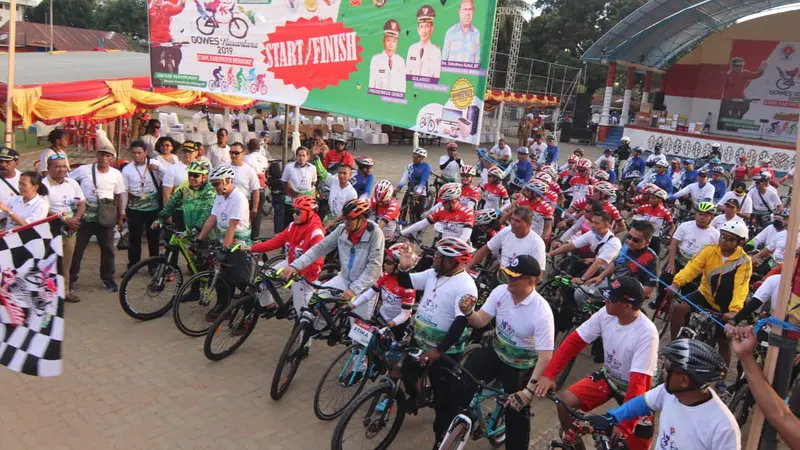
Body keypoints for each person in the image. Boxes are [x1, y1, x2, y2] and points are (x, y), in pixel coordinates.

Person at [533, 277, 659, 450]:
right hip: (610, 377)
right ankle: (573, 442)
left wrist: (624, 425)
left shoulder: (647, 333)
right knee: (564, 402)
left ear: (627, 306)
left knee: (637, 444)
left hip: (636, 390)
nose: (605, 301)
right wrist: (549, 375)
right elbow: (574, 342)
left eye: (612, 299)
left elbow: (638, 384)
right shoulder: (606, 313)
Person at [458, 256, 554, 450]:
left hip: (520, 366)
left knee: (516, 413)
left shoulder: (541, 311)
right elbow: (481, 320)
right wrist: (469, 312)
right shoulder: (501, 292)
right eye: (507, 275)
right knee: (462, 379)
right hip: (495, 352)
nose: (508, 280)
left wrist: (528, 391)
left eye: (514, 278)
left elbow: (545, 356)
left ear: (531, 281)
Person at [395, 237, 478, 449]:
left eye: (440, 256)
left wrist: (439, 351)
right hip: (420, 342)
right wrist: (403, 268)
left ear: (453, 261)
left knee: (444, 405)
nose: (435, 258)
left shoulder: (466, 286)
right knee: (405, 371)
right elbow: (406, 282)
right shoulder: (434, 274)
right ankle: (415, 398)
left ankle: (441, 440)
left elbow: (460, 323)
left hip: (443, 351)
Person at [585, 338, 739, 450]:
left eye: (666, 368)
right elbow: (643, 403)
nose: (662, 372)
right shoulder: (668, 392)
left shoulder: (723, 427)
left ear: (684, 381)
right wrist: (613, 417)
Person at [667, 220, 752, 367]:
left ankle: (721, 380)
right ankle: (675, 346)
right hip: (704, 295)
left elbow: (741, 287)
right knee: (678, 308)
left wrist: (734, 311)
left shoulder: (744, 262)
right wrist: (676, 283)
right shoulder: (710, 250)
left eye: (730, 239)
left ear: (740, 242)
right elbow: (693, 267)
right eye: (722, 236)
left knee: (724, 342)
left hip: (726, 305)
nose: (724, 241)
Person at [280, 199, 384, 309]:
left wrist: (354, 288)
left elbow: (374, 267)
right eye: (345, 217)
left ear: (362, 220)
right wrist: (295, 266)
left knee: (356, 324)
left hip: (365, 287)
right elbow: (319, 249)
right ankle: (319, 325)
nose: (346, 221)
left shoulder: (375, 234)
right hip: (344, 279)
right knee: (314, 302)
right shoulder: (342, 229)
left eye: (350, 219)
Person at [250, 196, 325, 325]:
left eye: (298, 212)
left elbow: (317, 263)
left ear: (310, 213)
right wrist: (251, 248)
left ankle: (304, 343)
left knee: (302, 314)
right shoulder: (292, 226)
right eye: (293, 211)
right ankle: (269, 307)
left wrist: (298, 272)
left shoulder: (317, 233)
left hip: (306, 273)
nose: (294, 215)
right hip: (290, 263)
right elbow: (276, 241)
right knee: (263, 279)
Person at [548, 210, 623, 332]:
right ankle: (566, 319)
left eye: (596, 223)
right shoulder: (593, 234)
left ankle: (589, 318)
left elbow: (599, 262)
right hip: (593, 268)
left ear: (608, 226)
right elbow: (572, 245)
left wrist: (582, 279)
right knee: (566, 282)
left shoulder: (614, 243)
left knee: (574, 290)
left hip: (605, 276)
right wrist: (550, 253)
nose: (592, 225)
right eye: (592, 222)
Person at [68, 145, 125, 293]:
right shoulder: (84, 170)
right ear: (97, 155)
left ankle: (108, 278)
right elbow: (69, 181)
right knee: (77, 249)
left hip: (106, 216)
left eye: (107, 156)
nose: (104, 159)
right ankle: (71, 279)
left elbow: (118, 196)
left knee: (108, 249)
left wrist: (120, 217)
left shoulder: (116, 174)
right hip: (85, 217)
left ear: (111, 158)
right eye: (101, 155)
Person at [650, 201, 719, 310]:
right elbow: (674, 243)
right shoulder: (685, 226)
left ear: (711, 217)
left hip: (696, 268)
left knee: (689, 294)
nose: (702, 217)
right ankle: (659, 301)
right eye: (700, 214)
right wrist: (671, 262)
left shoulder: (715, 235)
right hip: (678, 260)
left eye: (706, 215)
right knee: (664, 280)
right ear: (696, 214)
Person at [347, 243, 416, 341]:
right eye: (385, 260)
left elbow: (405, 314)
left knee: (390, 352)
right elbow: (371, 292)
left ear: (398, 266)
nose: (384, 264)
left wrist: (390, 324)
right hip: (382, 317)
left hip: (397, 324)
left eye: (388, 262)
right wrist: (352, 305)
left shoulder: (408, 287)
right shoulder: (385, 275)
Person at [43, 155, 86, 303]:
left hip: (70, 229)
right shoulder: (43, 185)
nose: (61, 169)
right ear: (48, 169)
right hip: (51, 227)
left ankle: (65, 291)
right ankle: (49, 293)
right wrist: (64, 220)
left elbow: (82, 203)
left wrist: (76, 219)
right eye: (57, 166)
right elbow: (44, 208)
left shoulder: (72, 183)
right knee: (49, 261)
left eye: (63, 166)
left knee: (66, 261)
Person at [121, 142, 166, 272]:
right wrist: (123, 210)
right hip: (135, 209)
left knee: (153, 238)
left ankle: (153, 266)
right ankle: (133, 266)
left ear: (145, 152)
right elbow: (124, 191)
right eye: (134, 153)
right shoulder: (127, 169)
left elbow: (169, 175)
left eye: (139, 153)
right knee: (134, 239)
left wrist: (159, 170)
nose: (136, 156)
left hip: (153, 209)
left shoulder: (154, 164)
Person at [466, 205, 546, 271]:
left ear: (528, 224)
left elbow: (538, 272)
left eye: (517, 221)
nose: (513, 223)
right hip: (501, 275)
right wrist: (468, 265)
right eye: (512, 219)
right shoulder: (506, 231)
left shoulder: (537, 243)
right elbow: (487, 248)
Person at [402, 183, 474, 242]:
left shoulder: (468, 213)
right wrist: (402, 232)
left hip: (460, 248)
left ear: (452, 201)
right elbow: (422, 224)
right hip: (444, 246)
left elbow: (465, 237)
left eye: (444, 202)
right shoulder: (441, 210)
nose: (442, 204)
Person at [281, 147, 318, 233]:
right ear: (296, 156)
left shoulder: (312, 168)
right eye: (299, 155)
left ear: (307, 157)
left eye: (304, 155)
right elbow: (284, 182)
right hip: (292, 202)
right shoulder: (289, 167)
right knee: (289, 223)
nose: (301, 158)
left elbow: (313, 182)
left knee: (306, 225)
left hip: (307, 203)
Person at [228, 143, 260, 238]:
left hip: (242, 206)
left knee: (241, 231)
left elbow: (255, 190)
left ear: (243, 153)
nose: (233, 155)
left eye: (236, 153)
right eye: (231, 152)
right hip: (227, 205)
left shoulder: (249, 170)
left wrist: (254, 208)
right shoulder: (223, 167)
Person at [368, 19, 406, 94]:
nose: (391, 45)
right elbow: (371, 87)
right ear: (384, 41)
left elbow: (402, 90)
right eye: (388, 40)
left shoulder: (401, 61)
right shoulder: (376, 60)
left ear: (397, 43)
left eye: (394, 41)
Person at [632, 187, 673, 255]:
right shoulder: (644, 207)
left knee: (654, 257)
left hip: (655, 237)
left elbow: (672, 226)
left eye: (653, 198)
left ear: (660, 200)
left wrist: (669, 236)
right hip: (642, 236)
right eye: (650, 197)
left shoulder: (665, 212)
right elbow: (634, 212)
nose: (650, 200)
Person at [406, 5, 442, 79]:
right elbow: (407, 75)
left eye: (427, 26)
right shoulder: (412, 49)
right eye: (421, 27)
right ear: (418, 29)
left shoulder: (436, 51)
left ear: (432, 29)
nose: (424, 31)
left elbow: (436, 78)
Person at [162, 141, 198, 211]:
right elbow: (166, 194)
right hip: (179, 209)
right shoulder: (172, 169)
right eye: (184, 151)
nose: (187, 154)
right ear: (181, 152)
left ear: (196, 153)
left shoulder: (202, 168)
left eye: (190, 152)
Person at [397, 147, 432, 221]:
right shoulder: (409, 166)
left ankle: (418, 226)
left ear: (422, 158)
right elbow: (404, 178)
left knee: (419, 213)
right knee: (403, 208)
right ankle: (400, 224)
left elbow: (423, 180)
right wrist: (398, 187)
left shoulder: (426, 167)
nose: (414, 158)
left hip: (421, 190)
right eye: (414, 156)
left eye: (417, 157)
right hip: (411, 188)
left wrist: (418, 191)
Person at [441, 0, 480, 64]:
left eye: (470, 9)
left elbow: (477, 61)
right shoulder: (450, 32)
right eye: (465, 9)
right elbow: (443, 61)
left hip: (469, 73)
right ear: (459, 12)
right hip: (452, 73)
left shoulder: (476, 33)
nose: (467, 13)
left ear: (473, 12)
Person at [244, 138, 268, 237]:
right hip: (261, 189)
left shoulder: (246, 159)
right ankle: (255, 236)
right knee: (257, 216)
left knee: (246, 215)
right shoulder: (264, 159)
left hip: (249, 191)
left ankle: (246, 236)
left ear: (248, 148)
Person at [322, 164, 358, 229]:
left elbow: (347, 213)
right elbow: (323, 173)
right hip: (330, 216)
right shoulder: (334, 181)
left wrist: (332, 222)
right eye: (340, 173)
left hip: (342, 222)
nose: (341, 175)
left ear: (350, 175)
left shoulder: (352, 193)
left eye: (344, 173)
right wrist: (316, 160)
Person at [0, 147, 21, 230]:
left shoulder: (25, 179)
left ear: (16, 162)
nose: (3, 164)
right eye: (0, 161)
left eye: (7, 161)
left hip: (19, 225)